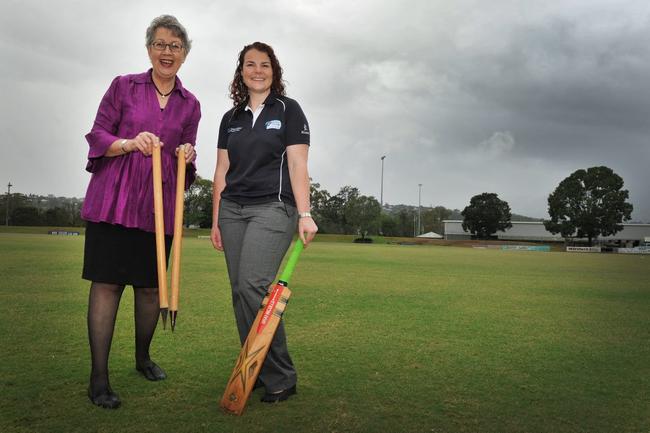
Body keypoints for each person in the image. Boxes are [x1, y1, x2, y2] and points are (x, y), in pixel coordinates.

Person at [81, 15, 200, 409]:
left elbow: (187, 164)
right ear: (149, 48)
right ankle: (99, 378)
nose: (167, 52)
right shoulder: (123, 86)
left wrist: (188, 154)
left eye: (175, 46)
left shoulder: (191, 104)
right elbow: (98, 135)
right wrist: (129, 143)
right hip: (113, 202)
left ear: (184, 54)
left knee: (151, 288)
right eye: (160, 44)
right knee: (108, 285)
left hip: (158, 208)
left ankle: (142, 357)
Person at [211, 42, 318, 403]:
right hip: (232, 211)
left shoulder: (289, 110)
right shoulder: (231, 118)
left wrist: (305, 213)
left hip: (274, 208)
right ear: (240, 71)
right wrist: (215, 221)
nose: (257, 70)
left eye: (265, 65)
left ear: (275, 71)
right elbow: (221, 172)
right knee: (240, 293)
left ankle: (281, 374)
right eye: (250, 64)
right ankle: (252, 365)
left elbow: (298, 165)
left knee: (253, 285)